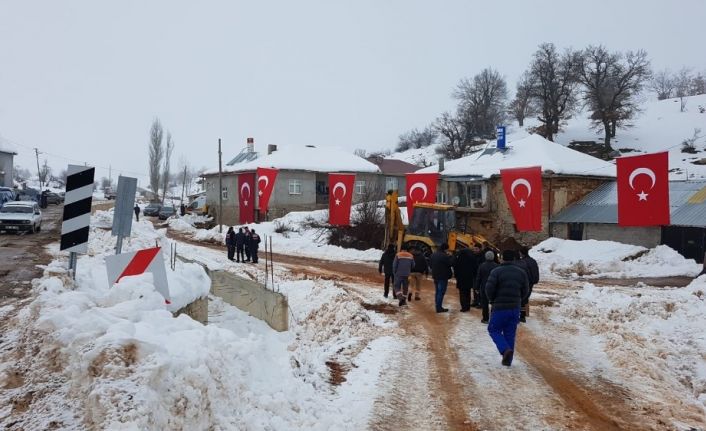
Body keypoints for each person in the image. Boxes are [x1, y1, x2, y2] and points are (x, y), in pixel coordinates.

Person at [485, 250, 529, 367]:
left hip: (500, 307)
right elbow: (526, 290)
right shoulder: (521, 272)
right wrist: (518, 299)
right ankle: (507, 361)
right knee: (510, 333)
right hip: (515, 308)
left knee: (493, 329)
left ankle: (505, 350)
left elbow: (489, 288)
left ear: (502, 259)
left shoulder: (496, 271)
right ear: (514, 259)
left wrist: (492, 299)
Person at [454, 244, 481, 312]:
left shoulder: (459, 258)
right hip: (469, 277)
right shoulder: (472, 258)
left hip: (460, 278)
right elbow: (475, 268)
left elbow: (455, 268)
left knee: (462, 293)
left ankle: (464, 307)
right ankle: (468, 306)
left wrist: (456, 276)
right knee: (468, 292)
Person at [518, 247, 540, 322]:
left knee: (522, 299)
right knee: (525, 298)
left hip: (524, 282)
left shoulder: (522, 262)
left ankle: (522, 315)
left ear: (521, 253)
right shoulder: (533, 261)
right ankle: (524, 314)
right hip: (531, 282)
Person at [476, 250, 499, 324]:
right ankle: (493, 318)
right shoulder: (497, 266)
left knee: (484, 303)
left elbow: (478, 277)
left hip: (484, 287)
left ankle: (485, 318)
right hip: (494, 287)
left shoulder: (482, 266)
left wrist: (476, 287)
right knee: (494, 303)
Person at [430, 243, 454, 313]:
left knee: (437, 291)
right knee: (441, 292)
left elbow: (430, 265)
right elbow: (451, 263)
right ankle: (439, 307)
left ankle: (437, 306)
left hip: (435, 275)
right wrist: (451, 256)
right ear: (445, 249)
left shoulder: (433, 254)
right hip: (443, 276)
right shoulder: (445, 256)